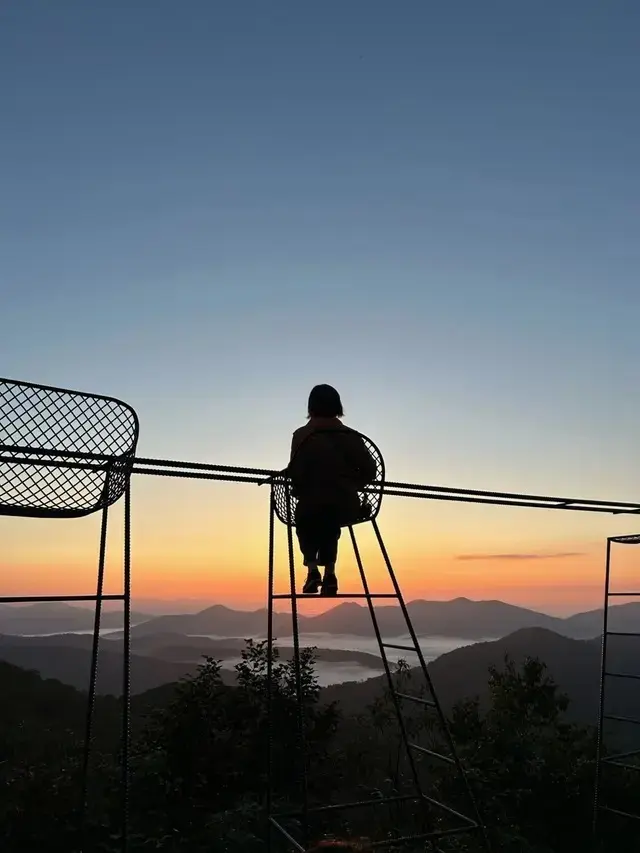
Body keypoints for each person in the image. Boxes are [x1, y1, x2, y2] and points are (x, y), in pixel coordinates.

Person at [287, 384, 377, 596]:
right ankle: (330, 574)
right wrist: (352, 484)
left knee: (307, 519)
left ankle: (312, 570)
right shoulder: (351, 436)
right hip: (347, 505)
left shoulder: (301, 435)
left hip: (310, 504)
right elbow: (370, 470)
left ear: (311, 407)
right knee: (330, 519)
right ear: (338, 406)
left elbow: (296, 473)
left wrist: (300, 489)